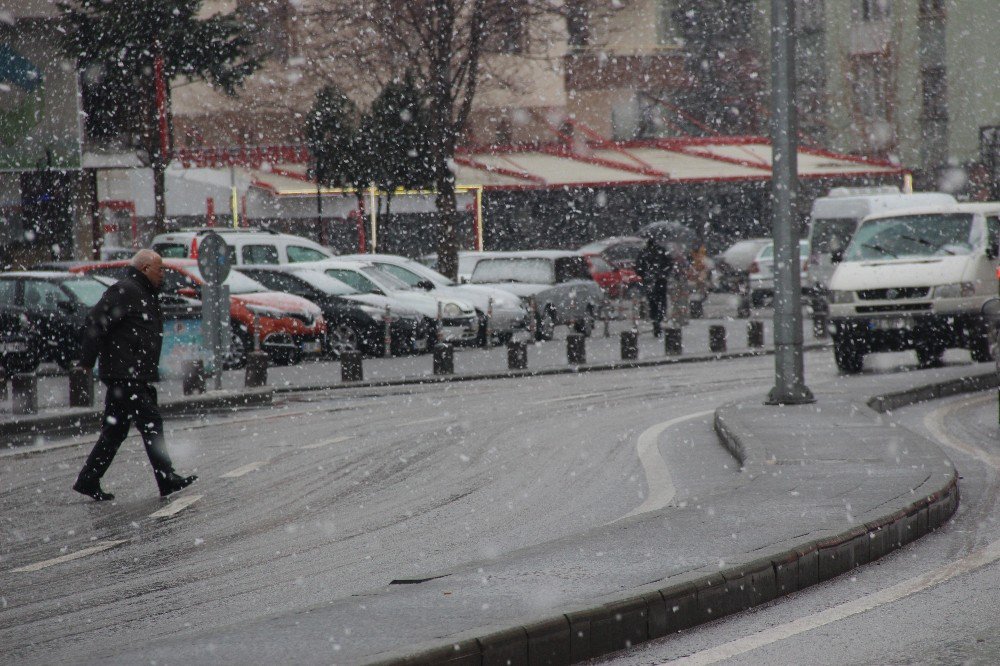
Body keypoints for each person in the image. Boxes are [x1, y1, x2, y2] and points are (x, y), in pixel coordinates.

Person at [73, 249, 197, 501]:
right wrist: (86, 361)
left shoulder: (143, 293)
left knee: (115, 431)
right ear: (145, 268)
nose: (163, 274)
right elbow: (96, 321)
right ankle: (166, 478)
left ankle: (88, 479)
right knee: (151, 422)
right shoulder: (126, 290)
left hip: (132, 374)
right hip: (124, 375)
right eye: (159, 269)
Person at [635, 238, 675, 337]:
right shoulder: (662, 251)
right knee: (661, 301)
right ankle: (659, 318)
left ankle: (655, 319)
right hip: (660, 281)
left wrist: (644, 276)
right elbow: (670, 264)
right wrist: (663, 274)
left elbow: (638, 267)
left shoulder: (644, 252)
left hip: (649, 281)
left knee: (652, 302)